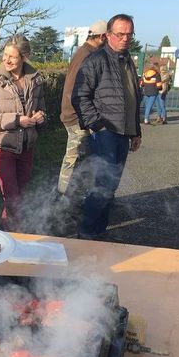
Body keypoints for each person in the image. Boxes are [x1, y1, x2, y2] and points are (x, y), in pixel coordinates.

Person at [72, 13, 142, 240]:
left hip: (123, 132)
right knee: (102, 185)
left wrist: (135, 131)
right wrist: (97, 126)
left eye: (129, 34)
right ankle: (86, 234)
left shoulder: (127, 60)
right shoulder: (96, 61)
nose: (125, 39)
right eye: (120, 34)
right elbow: (80, 97)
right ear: (108, 34)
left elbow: (133, 97)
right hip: (105, 131)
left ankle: (99, 233)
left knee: (111, 186)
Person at [0, 34, 47, 232]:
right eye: (4, 55)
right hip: (2, 148)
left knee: (19, 196)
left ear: (25, 57)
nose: (6, 60)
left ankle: (9, 235)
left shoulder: (36, 80)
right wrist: (16, 120)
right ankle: (13, 235)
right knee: (12, 195)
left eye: (12, 57)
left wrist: (41, 117)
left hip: (26, 147)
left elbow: (42, 109)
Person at [57, 20, 107, 199]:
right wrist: (85, 117)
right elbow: (77, 90)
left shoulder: (83, 51)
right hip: (77, 116)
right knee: (73, 158)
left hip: (74, 113)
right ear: (102, 37)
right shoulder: (89, 55)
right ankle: (62, 200)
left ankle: (75, 196)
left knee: (81, 158)